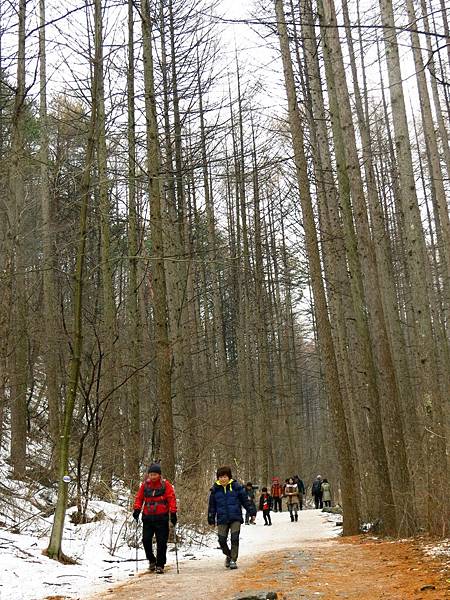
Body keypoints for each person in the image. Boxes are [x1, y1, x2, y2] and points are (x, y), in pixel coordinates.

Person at [133, 463, 177, 574]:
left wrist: (173, 513)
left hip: (161, 518)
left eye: (155, 474)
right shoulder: (144, 485)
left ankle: (160, 565)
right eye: (151, 474)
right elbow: (139, 498)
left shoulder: (166, 485)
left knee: (161, 543)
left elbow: (171, 498)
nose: (153, 477)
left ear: (159, 475)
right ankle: (152, 560)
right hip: (147, 518)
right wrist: (137, 510)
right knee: (146, 540)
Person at [208, 466, 253, 570]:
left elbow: (245, 501)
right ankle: (228, 555)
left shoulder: (237, 487)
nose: (223, 479)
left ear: (229, 477)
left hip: (235, 517)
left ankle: (233, 559)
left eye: (225, 477)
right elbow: (212, 506)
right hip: (222, 518)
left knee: (234, 538)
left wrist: (251, 511)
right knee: (222, 540)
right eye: (220, 477)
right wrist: (211, 518)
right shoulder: (215, 490)